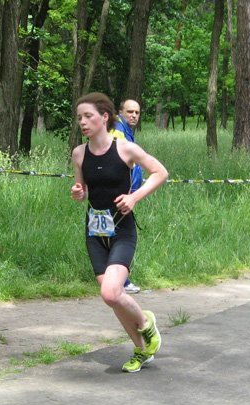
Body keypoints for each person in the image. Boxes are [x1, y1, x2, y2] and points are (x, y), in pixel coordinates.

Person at [70, 92, 168, 373]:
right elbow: (83, 189)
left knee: (111, 293)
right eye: (79, 117)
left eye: (88, 116)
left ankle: (147, 324)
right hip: (95, 231)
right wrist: (79, 192)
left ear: (104, 117)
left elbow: (160, 172)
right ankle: (141, 349)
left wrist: (134, 197)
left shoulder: (125, 149)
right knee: (112, 298)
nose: (82, 122)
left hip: (122, 229)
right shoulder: (79, 153)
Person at [110, 99, 143, 294]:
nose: (134, 115)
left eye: (137, 112)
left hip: (126, 194)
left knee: (114, 235)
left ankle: (115, 278)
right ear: (120, 112)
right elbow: (115, 160)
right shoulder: (118, 130)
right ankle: (122, 281)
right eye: (130, 111)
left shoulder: (125, 130)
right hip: (120, 194)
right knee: (124, 238)